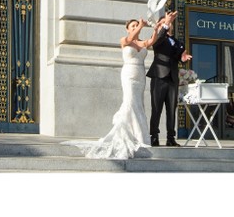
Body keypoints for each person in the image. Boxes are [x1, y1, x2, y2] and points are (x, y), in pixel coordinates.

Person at [63, 16, 162, 160]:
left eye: (136, 25)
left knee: (138, 104)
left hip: (140, 75)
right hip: (128, 74)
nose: (135, 27)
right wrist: (140, 26)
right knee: (129, 103)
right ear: (127, 29)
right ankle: (127, 134)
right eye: (132, 26)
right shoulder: (124, 40)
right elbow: (130, 39)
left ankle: (139, 136)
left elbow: (152, 41)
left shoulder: (141, 43)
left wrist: (156, 29)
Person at [146, 10, 191, 147]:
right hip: (159, 76)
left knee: (171, 109)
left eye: (169, 23)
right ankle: (154, 136)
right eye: (164, 23)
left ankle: (171, 138)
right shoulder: (157, 39)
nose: (167, 24)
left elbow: (177, 57)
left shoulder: (178, 42)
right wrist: (164, 24)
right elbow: (157, 41)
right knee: (156, 109)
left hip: (172, 79)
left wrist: (182, 59)